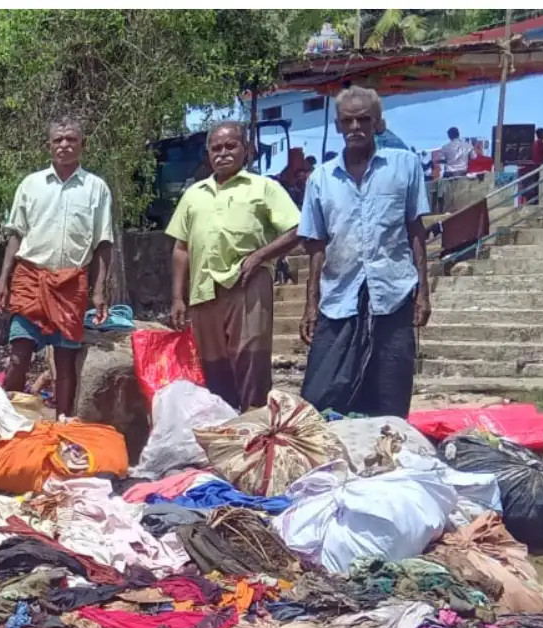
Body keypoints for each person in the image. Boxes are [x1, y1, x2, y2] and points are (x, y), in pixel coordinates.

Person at [298, 86, 429, 419]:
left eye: (363, 120)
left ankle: (388, 451)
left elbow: (415, 230)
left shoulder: (406, 166)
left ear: (378, 124)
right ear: (339, 126)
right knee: (320, 393)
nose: (355, 127)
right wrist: (310, 304)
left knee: (391, 387)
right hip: (339, 295)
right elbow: (315, 245)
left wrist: (424, 292)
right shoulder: (321, 179)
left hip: (393, 291)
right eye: (348, 121)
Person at [168, 121, 301, 412]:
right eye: (216, 148)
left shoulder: (264, 187)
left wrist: (260, 256)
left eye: (231, 146)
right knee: (213, 365)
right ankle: (225, 429)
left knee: (251, 358)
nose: (223, 153)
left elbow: (297, 229)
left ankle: (255, 426)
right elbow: (181, 248)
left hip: (247, 283)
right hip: (204, 289)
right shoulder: (194, 194)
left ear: (246, 150)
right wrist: (178, 298)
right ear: (208, 154)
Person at [0, 118, 115, 418]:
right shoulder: (30, 184)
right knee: (19, 355)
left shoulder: (96, 188)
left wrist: (99, 291)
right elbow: (16, 235)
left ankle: (62, 421)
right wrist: (2, 281)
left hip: (71, 283)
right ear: (49, 145)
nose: (64, 145)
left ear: (82, 145)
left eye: (71, 139)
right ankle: (8, 417)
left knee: (65, 361)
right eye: (58, 140)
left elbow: (103, 243)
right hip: (29, 278)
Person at [522, 127, 543, 206]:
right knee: (535, 186)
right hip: (537, 166)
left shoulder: (534, 143)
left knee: (533, 186)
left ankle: (532, 202)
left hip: (532, 167)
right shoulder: (541, 143)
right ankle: (534, 203)